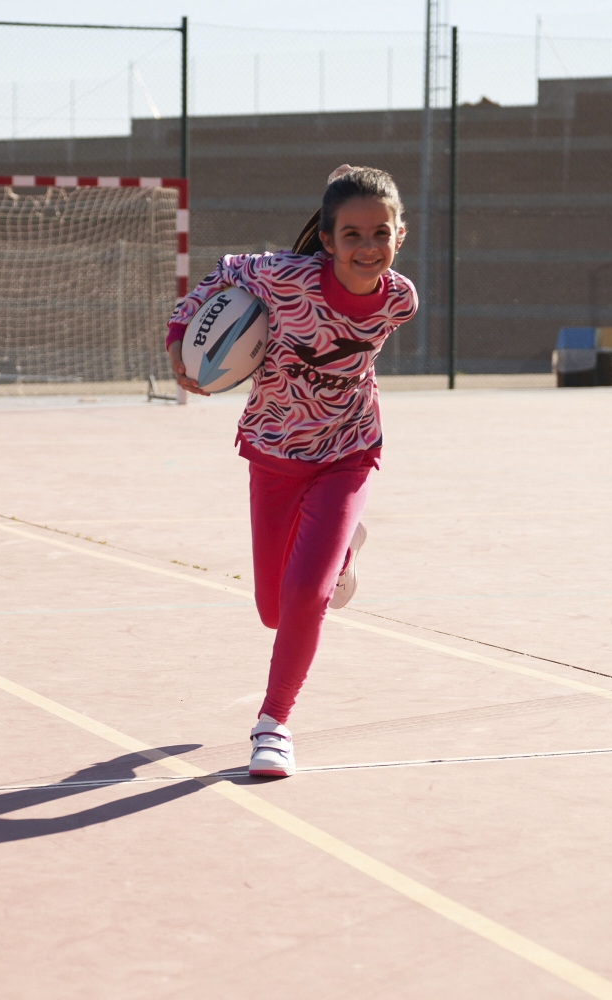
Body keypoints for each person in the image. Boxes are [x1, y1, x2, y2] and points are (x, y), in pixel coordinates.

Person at [166, 165, 417, 778]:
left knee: (305, 595)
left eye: (380, 233)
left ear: (399, 236)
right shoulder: (283, 277)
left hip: (348, 450)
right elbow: (222, 272)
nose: (367, 246)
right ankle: (342, 561)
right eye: (352, 234)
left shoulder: (400, 300)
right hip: (275, 451)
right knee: (275, 611)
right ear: (327, 241)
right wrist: (181, 340)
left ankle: (272, 724)